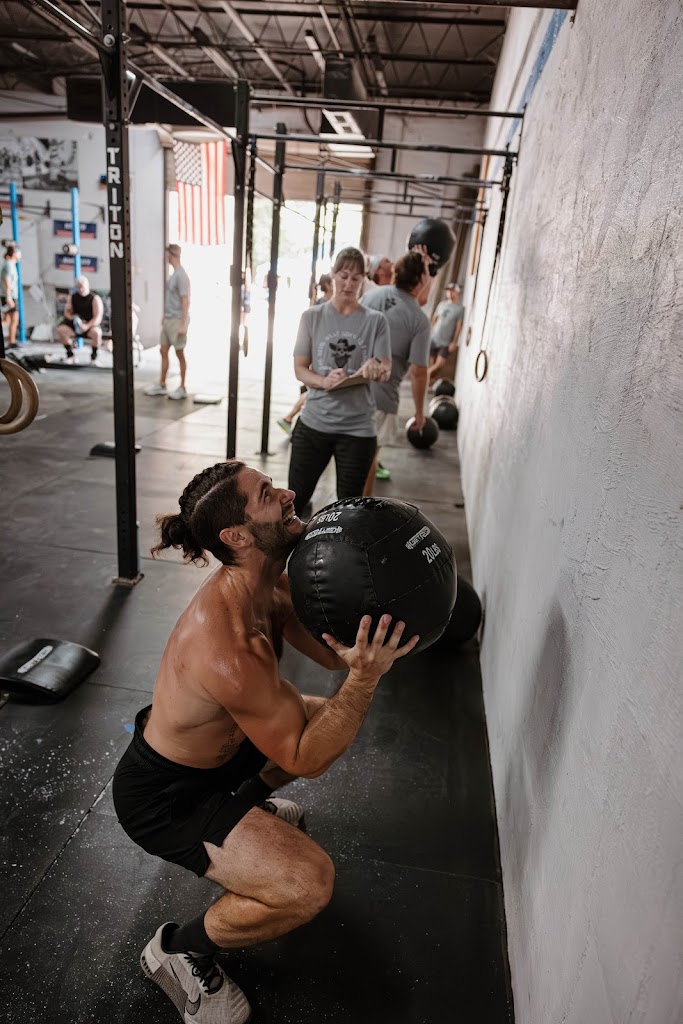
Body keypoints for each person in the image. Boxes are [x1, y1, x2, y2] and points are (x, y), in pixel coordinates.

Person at [112, 460, 418, 1023]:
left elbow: (332, 655)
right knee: (307, 882)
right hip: (169, 798)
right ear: (236, 536)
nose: (288, 493)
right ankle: (180, 950)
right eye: (267, 494)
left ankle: (245, 808)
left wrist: (375, 629)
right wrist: (367, 676)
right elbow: (309, 758)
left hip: (224, 758)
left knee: (325, 711)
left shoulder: (272, 587)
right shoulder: (226, 644)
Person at [287, 246, 392, 517]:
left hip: (357, 430)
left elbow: (386, 367)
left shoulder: (376, 321)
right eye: (343, 275)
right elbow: (300, 369)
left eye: (356, 278)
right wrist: (323, 380)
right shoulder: (312, 317)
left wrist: (374, 366)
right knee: (295, 502)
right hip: (314, 424)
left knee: (350, 510)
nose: (348, 283)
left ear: (363, 280)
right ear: (332, 275)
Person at [360, 251, 432, 493]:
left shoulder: (370, 296)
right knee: (368, 459)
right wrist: (420, 414)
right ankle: (358, 514)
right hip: (380, 399)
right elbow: (420, 373)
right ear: (421, 280)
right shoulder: (419, 320)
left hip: (351, 387)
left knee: (347, 454)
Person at [277, 275, 333, 436]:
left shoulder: (323, 303)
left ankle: (288, 418)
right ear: (329, 285)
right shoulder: (322, 306)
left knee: (311, 393)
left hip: (321, 361)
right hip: (319, 361)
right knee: (312, 392)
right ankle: (288, 417)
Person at [145, 243, 191, 400]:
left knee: (180, 353)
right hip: (169, 319)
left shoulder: (182, 276)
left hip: (177, 320)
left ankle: (183, 387)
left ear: (171, 255)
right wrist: (165, 317)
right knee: (163, 350)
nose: (165, 257)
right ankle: (162, 384)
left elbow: (185, 301)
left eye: (167, 254)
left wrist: (183, 324)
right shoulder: (173, 275)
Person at [56, 275, 104, 363]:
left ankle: (94, 358)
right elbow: (67, 312)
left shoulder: (95, 299)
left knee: (97, 333)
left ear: (87, 286)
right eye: (78, 287)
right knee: (61, 330)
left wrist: (86, 325)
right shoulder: (72, 297)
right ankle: (70, 355)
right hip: (75, 324)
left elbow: (98, 317)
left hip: (89, 324)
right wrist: (73, 318)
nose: (80, 289)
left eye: (82, 287)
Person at [428, 282, 464, 386]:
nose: (449, 293)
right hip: (434, 338)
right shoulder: (442, 305)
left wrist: (454, 341)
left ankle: (425, 376)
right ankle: (429, 382)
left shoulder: (460, 309)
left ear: (457, 292)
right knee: (433, 364)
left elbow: (458, 326)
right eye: (448, 290)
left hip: (446, 341)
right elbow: (434, 319)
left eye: (452, 290)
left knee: (439, 364)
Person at [1, 244, 21, 349]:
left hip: (10, 296)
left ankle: (12, 341)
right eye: (18, 252)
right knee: (14, 319)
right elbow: (6, 281)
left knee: (7, 320)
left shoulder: (11, 264)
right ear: (14, 253)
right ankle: (12, 342)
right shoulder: (8, 264)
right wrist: (8, 297)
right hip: (9, 296)